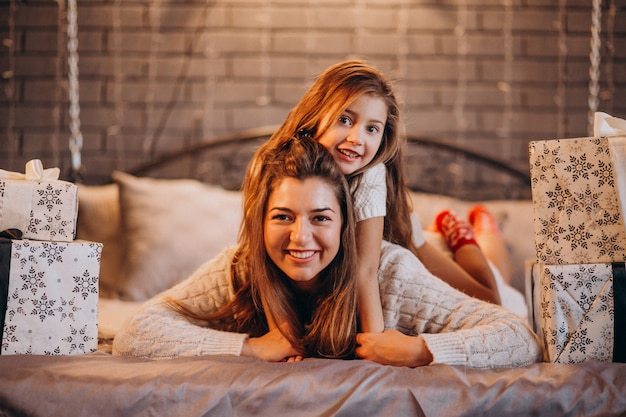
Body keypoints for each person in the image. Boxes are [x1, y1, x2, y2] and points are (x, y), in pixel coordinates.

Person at [112, 136, 542, 367]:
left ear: (344, 225)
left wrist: (420, 350)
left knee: (499, 288)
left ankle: (478, 231)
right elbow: (136, 331)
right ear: (260, 222)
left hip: (458, 271)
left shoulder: (391, 273)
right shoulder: (239, 268)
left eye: (320, 218)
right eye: (282, 217)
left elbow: (518, 335)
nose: (301, 238)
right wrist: (250, 348)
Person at [265, 60, 520, 333]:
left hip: (415, 245)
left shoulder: (370, 174)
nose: (356, 138)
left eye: (371, 129)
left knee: (495, 297)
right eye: (345, 119)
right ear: (315, 114)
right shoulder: (280, 168)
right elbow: (261, 261)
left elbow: (365, 271)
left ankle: (474, 231)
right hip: (405, 240)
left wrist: (374, 343)